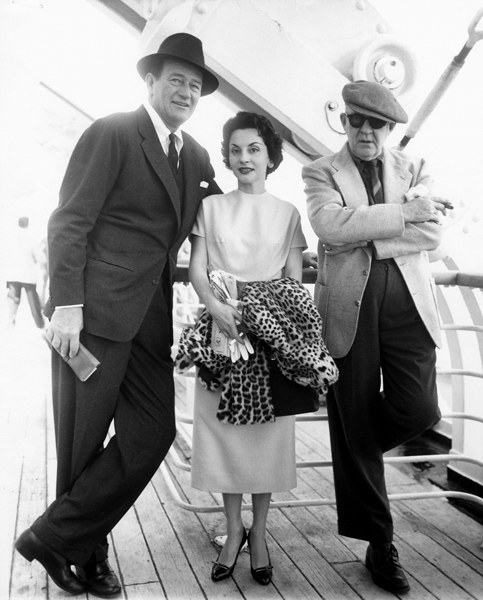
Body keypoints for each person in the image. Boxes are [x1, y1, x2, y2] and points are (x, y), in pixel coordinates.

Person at [14, 33, 221, 597]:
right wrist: (68, 310)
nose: (185, 91)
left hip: (150, 318)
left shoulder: (197, 156)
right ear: (150, 81)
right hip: (94, 316)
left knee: (153, 433)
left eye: (194, 86)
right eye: (175, 79)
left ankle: (53, 536)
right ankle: (87, 556)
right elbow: (69, 222)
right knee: (82, 442)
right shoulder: (111, 131)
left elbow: (223, 221)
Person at [303, 80, 452, 594]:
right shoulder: (321, 170)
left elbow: (432, 234)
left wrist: (368, 229)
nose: (366, 131)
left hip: (409, 308)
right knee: (357, 411)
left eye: (377, 124)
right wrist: (402, 215)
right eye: (356, 121)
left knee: (418, 409)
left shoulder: (414, 169)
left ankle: (356, 445)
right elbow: (328, 226)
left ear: (389, 130)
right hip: (350, 311)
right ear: (343, 121)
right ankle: (380, 545)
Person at [186, 112, 307, 586]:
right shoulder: (210, 207)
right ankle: (233, 531)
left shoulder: (288, 213)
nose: (244, 158)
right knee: (223, 435)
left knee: (266, 438)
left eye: (254, 149)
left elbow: (294, 280)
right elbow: (198, 268)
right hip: (220, 333)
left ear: (270, 155)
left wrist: (265, 320)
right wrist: (218, 309)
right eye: (236, 150)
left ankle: (260, 534)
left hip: (269, 335)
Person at [6, 216, 46, 331]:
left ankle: (11, 322)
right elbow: (41, 258)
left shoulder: (11, 238)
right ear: (28, 224)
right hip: (27, 274)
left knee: (13, 299)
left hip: (13, 273)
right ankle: (40, 324)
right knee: (33, 301)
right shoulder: (30, 237)